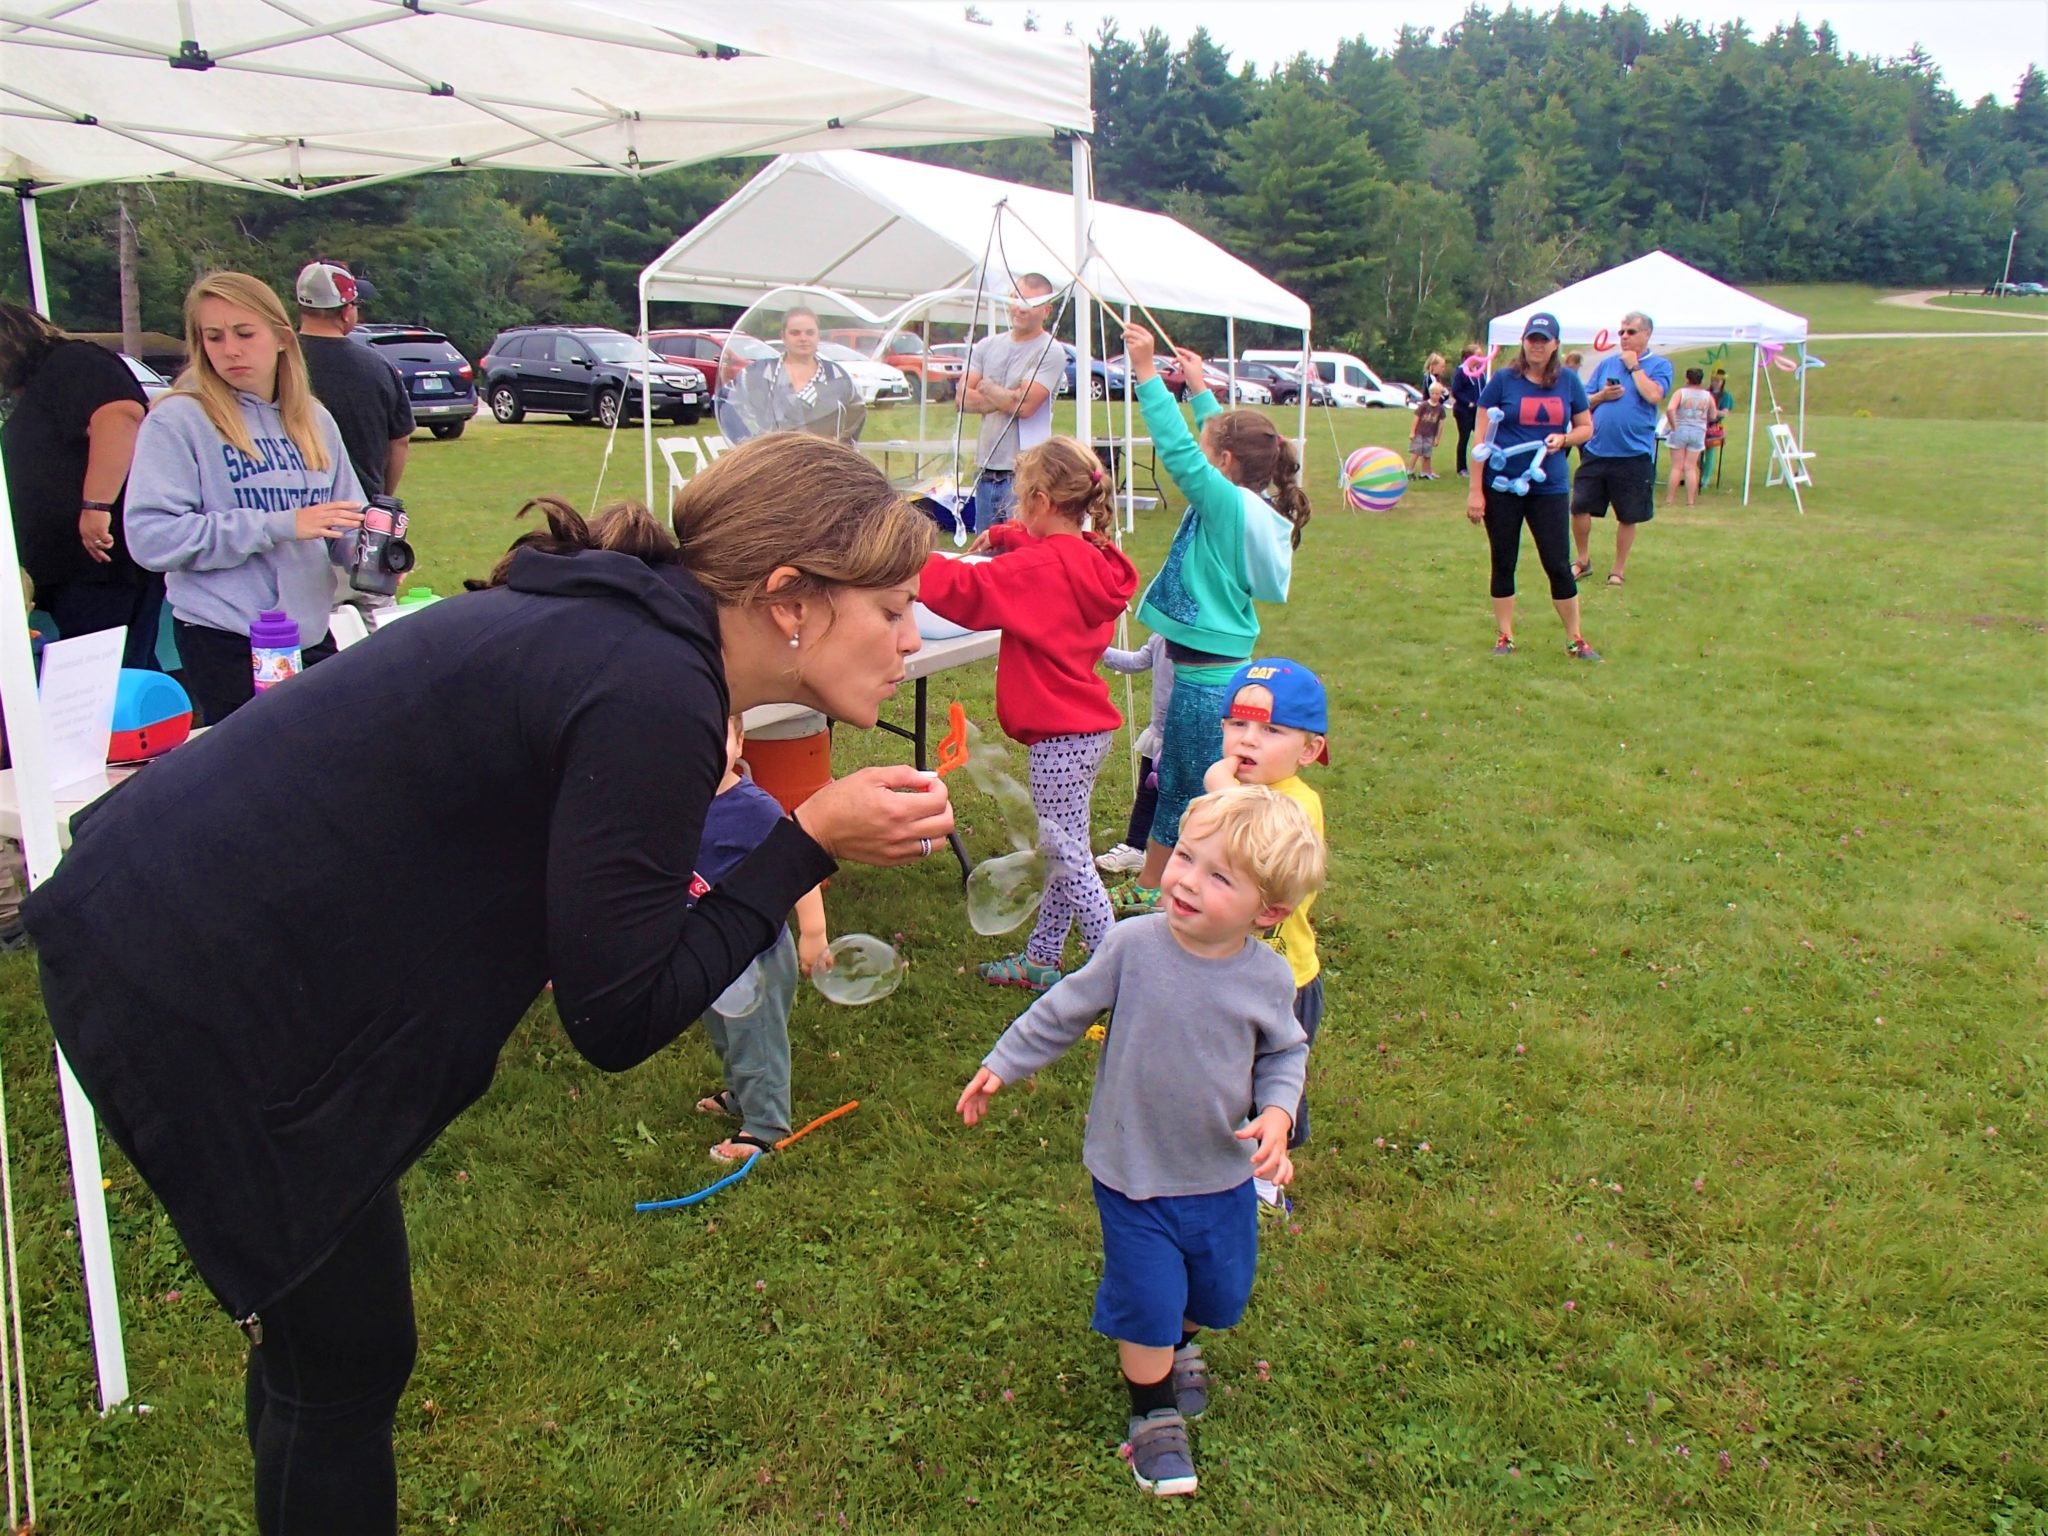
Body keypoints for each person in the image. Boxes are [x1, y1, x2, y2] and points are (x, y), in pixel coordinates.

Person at [22, 430, 956, 1535]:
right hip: (207, 970)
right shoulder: (652, 684)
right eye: (892, 607)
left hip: (188, 922)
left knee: (336, 1354)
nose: (911, 636)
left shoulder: (633, 634)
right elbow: (617, 1014)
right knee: (344, 1366)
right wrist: (803, 844)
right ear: (789, 597)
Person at [956, 783, 1325, 1500]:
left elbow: (1285, 1054)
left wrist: (1279, 1114)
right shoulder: (1132, 944)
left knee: (1214, 1292)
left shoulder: (1267, 977)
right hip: (1131, 1168)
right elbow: (1065, 1007)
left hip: (1218, 1171)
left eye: (1220, 877)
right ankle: (1151, 1415)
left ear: (1269, 911)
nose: (1186, 879)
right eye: (1185, 857)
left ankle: (1178, 1341)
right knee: (1149, 1295)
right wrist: (1003, 1062)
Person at [917, 437, 1137, 991]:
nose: (1014, 512)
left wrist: (905, 559)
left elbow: (968, 586)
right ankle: (1042, 959)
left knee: (1067, 857)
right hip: (1083, 733)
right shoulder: (1092, 556)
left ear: (1041, 499)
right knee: (1061, 850)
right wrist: (1012, 536)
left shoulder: (1038, 568)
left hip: (1060, 739)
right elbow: (1046, 555)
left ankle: (1117, 974)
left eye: (1018, 502)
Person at [1109, 324, 1307, 916]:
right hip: (1214, 668)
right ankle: (1162, 874)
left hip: (1203, 684)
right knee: (1186, 780)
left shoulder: (1222, 501)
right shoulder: (1244, 497)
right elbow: (1227, 441)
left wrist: (1147, 373)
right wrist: (1197, 387)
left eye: (1209, 445)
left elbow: (1179, 452)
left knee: (1183, 786)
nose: (1202, 449)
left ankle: (1154, 888)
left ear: (1221, 462)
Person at [123, 270, 366, 725]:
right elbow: (151, 538)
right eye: (213, 337)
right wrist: (278, 525)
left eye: (244, 333)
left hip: (309, 634)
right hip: (224, 639)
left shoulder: (314, 419)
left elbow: (343, 521)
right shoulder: (178, 420)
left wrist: (374, 549)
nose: (230, 349)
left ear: (280, 337)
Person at [1200, 659, 1328, 1156]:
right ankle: (1220, 1145)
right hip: (1225, 967)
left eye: (1271, 729)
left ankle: (1269, 1173)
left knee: (1274, 1076)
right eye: (1237, 724)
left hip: (1283, 978)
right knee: (1228, 1068)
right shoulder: (1236, 792)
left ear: (1309, 750)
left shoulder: (1296, 802)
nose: (1248, 740)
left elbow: (1266, 839)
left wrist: (1221, 791)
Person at [691, 712, 830, 1163]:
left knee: (757, 1036)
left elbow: (797, 863)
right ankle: (741, 1093)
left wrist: (813, 931)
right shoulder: (669, 803)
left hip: (757, 955)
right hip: (709, 950)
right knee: (725, 1033)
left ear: (740, 741)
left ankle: (766, 1126)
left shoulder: (752, 809)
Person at [0, 301, 163, 669]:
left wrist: (96, 506)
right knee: (104, 666)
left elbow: (119, 418)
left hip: (101, 562)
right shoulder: (41, 387)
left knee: (110, 668)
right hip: (69, 569)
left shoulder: (72, 362)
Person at [1465, 311, 1599, 662]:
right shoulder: (1503, 382)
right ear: (1523, 343)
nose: (1537, 346)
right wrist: (1476, 491)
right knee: (1503, 559)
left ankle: (1575, 640)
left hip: (1548, 486)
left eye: (1544, 340)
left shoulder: (1568, 381)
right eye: (1531, 339)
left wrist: (1564, 438)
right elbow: (1480, 439)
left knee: (1557, 562)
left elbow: (1587, 428)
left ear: (1555, 344)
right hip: (1502, 486)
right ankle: (1505, 636)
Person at [294, 262, 412, 505]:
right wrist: (382, 497)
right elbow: (400, 441)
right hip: (358, 509)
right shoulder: (377, 367)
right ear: (346, 311)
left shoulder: (277, 362)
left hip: (293, 510)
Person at [1570, 310, 1673, 587]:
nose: (1624, 337)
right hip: (1597, 449)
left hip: (1633, 454)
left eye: (1631, 332)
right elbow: (1583, 402)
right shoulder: (1606, 365)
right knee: (1579, 506)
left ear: (1647, 334)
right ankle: (1582, 560)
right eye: (1622, 332)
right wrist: (1602, 395)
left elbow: (1653, 395)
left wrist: (1634, 367)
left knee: (1628, 514)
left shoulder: (1659, 365)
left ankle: (1618, 569)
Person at [958, 273, 1068, 528]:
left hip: (1025, 476)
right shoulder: (986, 346)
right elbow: (962, 398)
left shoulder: (1050, 351)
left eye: (1028, 302)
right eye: (1014, 298)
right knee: (986, 557)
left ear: (1046, 310)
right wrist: (1007, 396)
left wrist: (986, 387)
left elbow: (1026, 406)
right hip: (985, 472)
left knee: (1021, 556)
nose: (1019, 308)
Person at [717, 305, 866, 444]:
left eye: (810, 332)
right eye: (795, 333)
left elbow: (857, 414)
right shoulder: (759, 372)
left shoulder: (837, 376)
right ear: (783, 336)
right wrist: (744, 442)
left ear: (818, 336)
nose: (803, 338)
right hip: (773, 463)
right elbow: (723, 400)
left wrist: (843, 450)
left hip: (823, 465)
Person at [1096, 630, 1171, 876]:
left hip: (1189, 736)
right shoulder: (1161, 636)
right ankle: (1135, 847)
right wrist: (1095, 648)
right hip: (1159, 734)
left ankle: (1180, 857)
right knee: (1147, 794)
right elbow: (1138, 661)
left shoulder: (1201, 640)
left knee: (1183, 801)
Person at [1663, 367, 1721, 507]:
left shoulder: (1681, 393)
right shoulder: (1707, 396)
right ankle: (1690, 501)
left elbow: (1670, 408)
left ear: (1687, 379)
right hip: (1698, 432)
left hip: (1681, 430)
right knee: (1691, 467)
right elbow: (1713, 415)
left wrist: (1673, 425)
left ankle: (1670, 499)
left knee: (1677, 467)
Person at [1449, 342, 1485, 477]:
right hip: (1464, 411)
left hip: (1478, 411)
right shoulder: (1461, 372)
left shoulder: (1480, 372)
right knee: (1464, 438)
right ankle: (1461, 468)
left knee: (1483, 438)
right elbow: (1456, 391)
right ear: (1469, 357)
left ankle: (1483, 466)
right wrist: (1468, 402)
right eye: (1478, 355)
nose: (1481, 358)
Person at [1699, 368, 1737, 485]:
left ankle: (1705, 478)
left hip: (1714, 427)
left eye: (1718, 380)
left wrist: (1712, 411)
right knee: (1696, 451)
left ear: (1722, 382)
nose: (1715, 382)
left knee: (1709, 451)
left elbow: (1725, 412)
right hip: (1701, 424)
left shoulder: (1726, 396)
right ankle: (1701, 472)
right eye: (1713, 380)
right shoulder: (1705, 393)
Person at [1407, 381, 1447, 479]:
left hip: (1430, 435)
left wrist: (1437, 438)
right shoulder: (1424, 405)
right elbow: (1416, 418)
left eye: (1437, 394)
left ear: (1440, 395)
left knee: (1427, 454)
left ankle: (1425, 473)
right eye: (1432, 393)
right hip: (1419, 433)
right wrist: (1412, 432)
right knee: (1416, 452)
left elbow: (1441, 424)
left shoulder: (1440, 409)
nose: (1434, 396)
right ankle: (1409, 471)